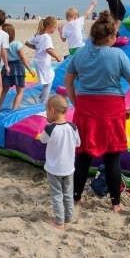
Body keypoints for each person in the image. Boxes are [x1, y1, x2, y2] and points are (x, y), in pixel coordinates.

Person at [65, 11, 130, 213]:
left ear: (92, 35)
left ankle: (76, 198)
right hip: (111, 108)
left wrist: (76, 102)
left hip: (86, 107)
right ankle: (116, 203)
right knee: (112, 158)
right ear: (110, 37)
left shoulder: (80, 53)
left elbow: (68, 81)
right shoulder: (118, 55)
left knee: (82, 157)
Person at [39, 94, 81, 230]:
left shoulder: (49, 128)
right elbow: (78, 143)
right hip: (68, 168)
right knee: (68, 193)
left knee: (57, 194)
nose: (46, 114)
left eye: (46, 111)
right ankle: (68, 218)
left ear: (52, 110)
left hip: (54, 168)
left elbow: (43, 140)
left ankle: (59, 222)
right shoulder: (73, 127)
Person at [0, 23, 34, 112]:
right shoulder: (17, 44)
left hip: (7, 67)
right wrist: (30, 69)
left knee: (4, 90)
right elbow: (23, 58)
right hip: (18, 68)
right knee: (20, 91)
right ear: (13, 33)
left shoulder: (2, 46)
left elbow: (0, 57)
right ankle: (15, 109)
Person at [25, 16, 63, 103]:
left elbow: (27, 43)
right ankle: (43, 101)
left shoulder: (37, 35)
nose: (54, 30)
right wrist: (57, 57)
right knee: (48, 83)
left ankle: (42, 96)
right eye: (54, 28)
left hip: (38, 62)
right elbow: (48, 49)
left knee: (49, 78)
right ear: (50, 27)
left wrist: (38, 48)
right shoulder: (46, 37)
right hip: (43, 62)